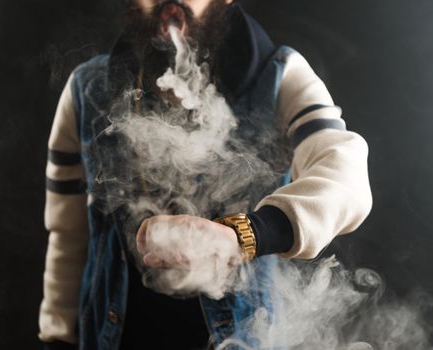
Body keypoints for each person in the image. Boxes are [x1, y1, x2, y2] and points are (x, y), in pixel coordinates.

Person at [38, 0, 373, 349]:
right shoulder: (85, 89)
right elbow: (67, 235)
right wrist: (57, 338)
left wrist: (241, 236)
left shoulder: (280, 74)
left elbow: (346, 176)